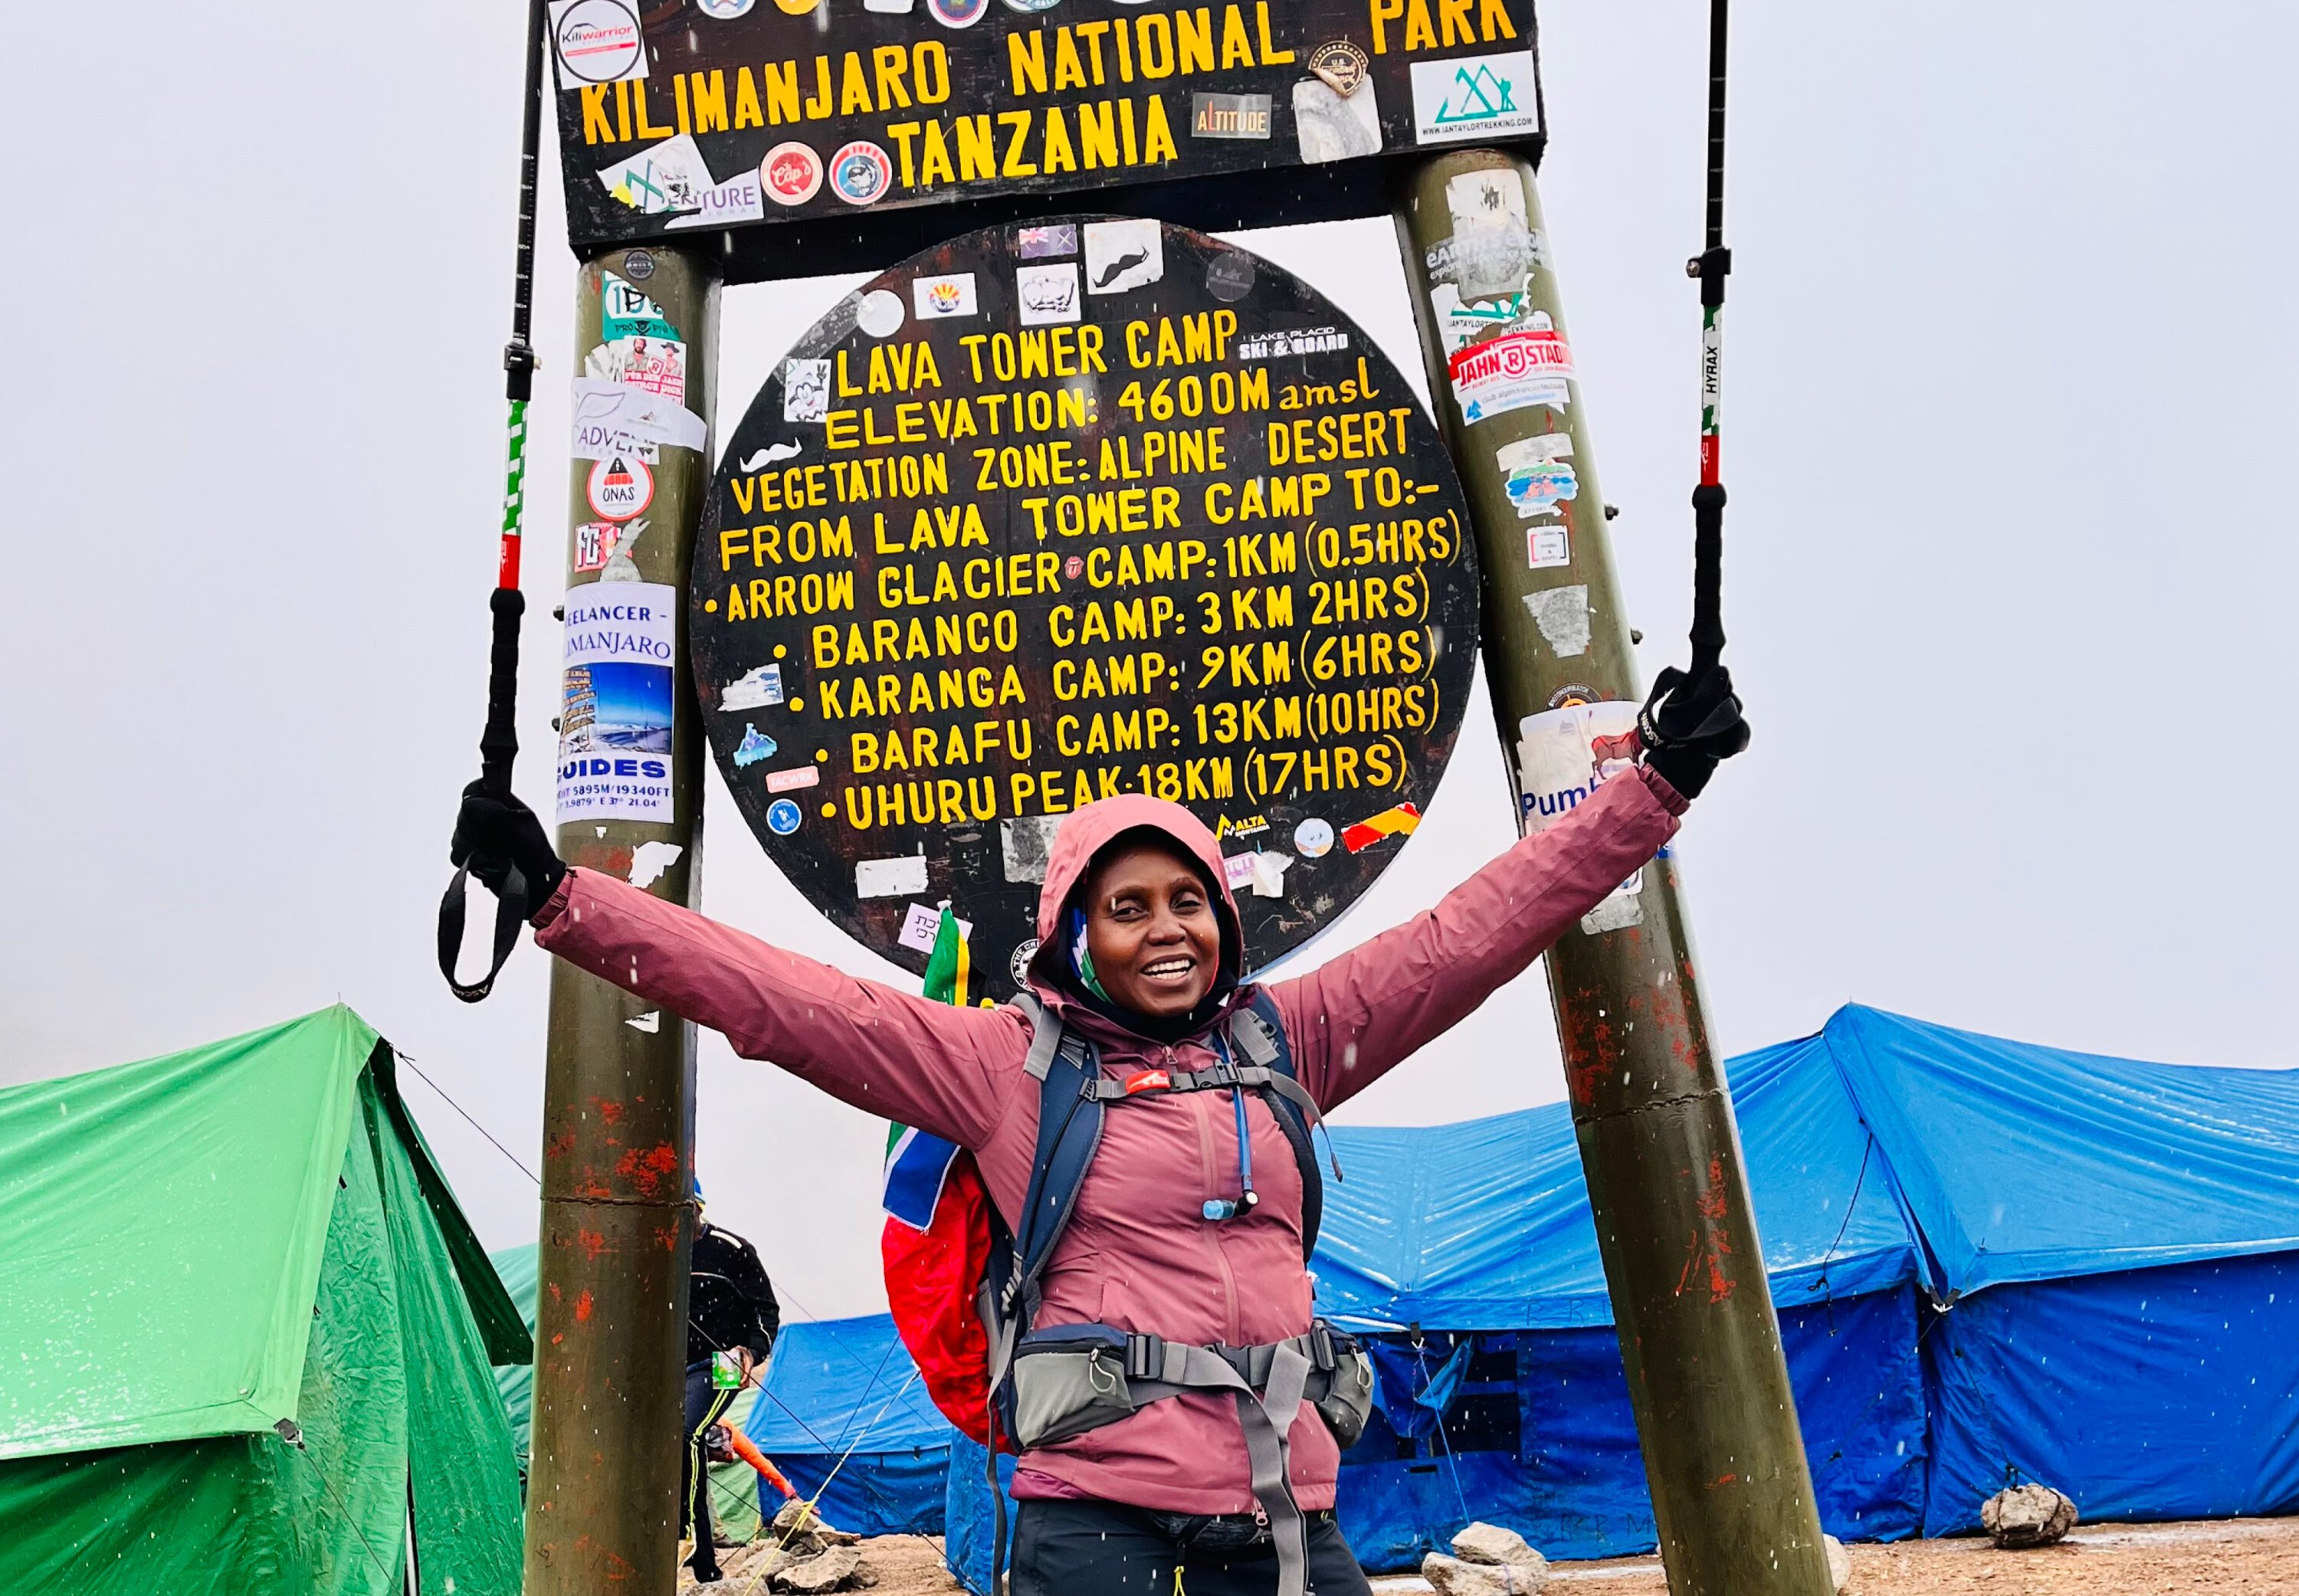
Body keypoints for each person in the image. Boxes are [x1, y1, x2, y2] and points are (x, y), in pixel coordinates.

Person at [454, 669, 1746, 1595]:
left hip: (1285, 1522)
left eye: (1190, 896)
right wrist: (568, 901)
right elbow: (789, 1000)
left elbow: (1471, 931)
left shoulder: (1290, 1037)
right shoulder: (1006, 1063)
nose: (1169, 925)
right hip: (1092, 1526)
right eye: (1128, 905)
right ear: (1077, 930)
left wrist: (1655, 786)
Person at [682, 1198, 779, 1582]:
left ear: (697, 1209)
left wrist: (752, 1351)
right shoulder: (655, 1248)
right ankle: (706, 1561)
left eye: (685, 1210)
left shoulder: (732, 1250)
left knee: (688, 1434)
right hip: (668, 1366)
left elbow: (765, 1310)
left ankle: (683, 1530)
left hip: (723, 1361)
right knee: (678, 1448)